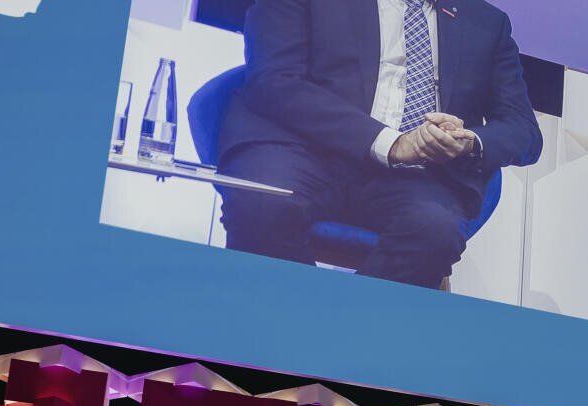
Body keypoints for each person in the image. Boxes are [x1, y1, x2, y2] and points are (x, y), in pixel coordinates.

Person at [215, 0, 543, 288]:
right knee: (263, 203)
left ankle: (350, 333)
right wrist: (391, 142)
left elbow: (523, 129)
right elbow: (274, 80)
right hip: (302, 148)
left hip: (413, 177)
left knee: (435, 231)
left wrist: (469, 141)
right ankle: (283, 323)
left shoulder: (486, 23)